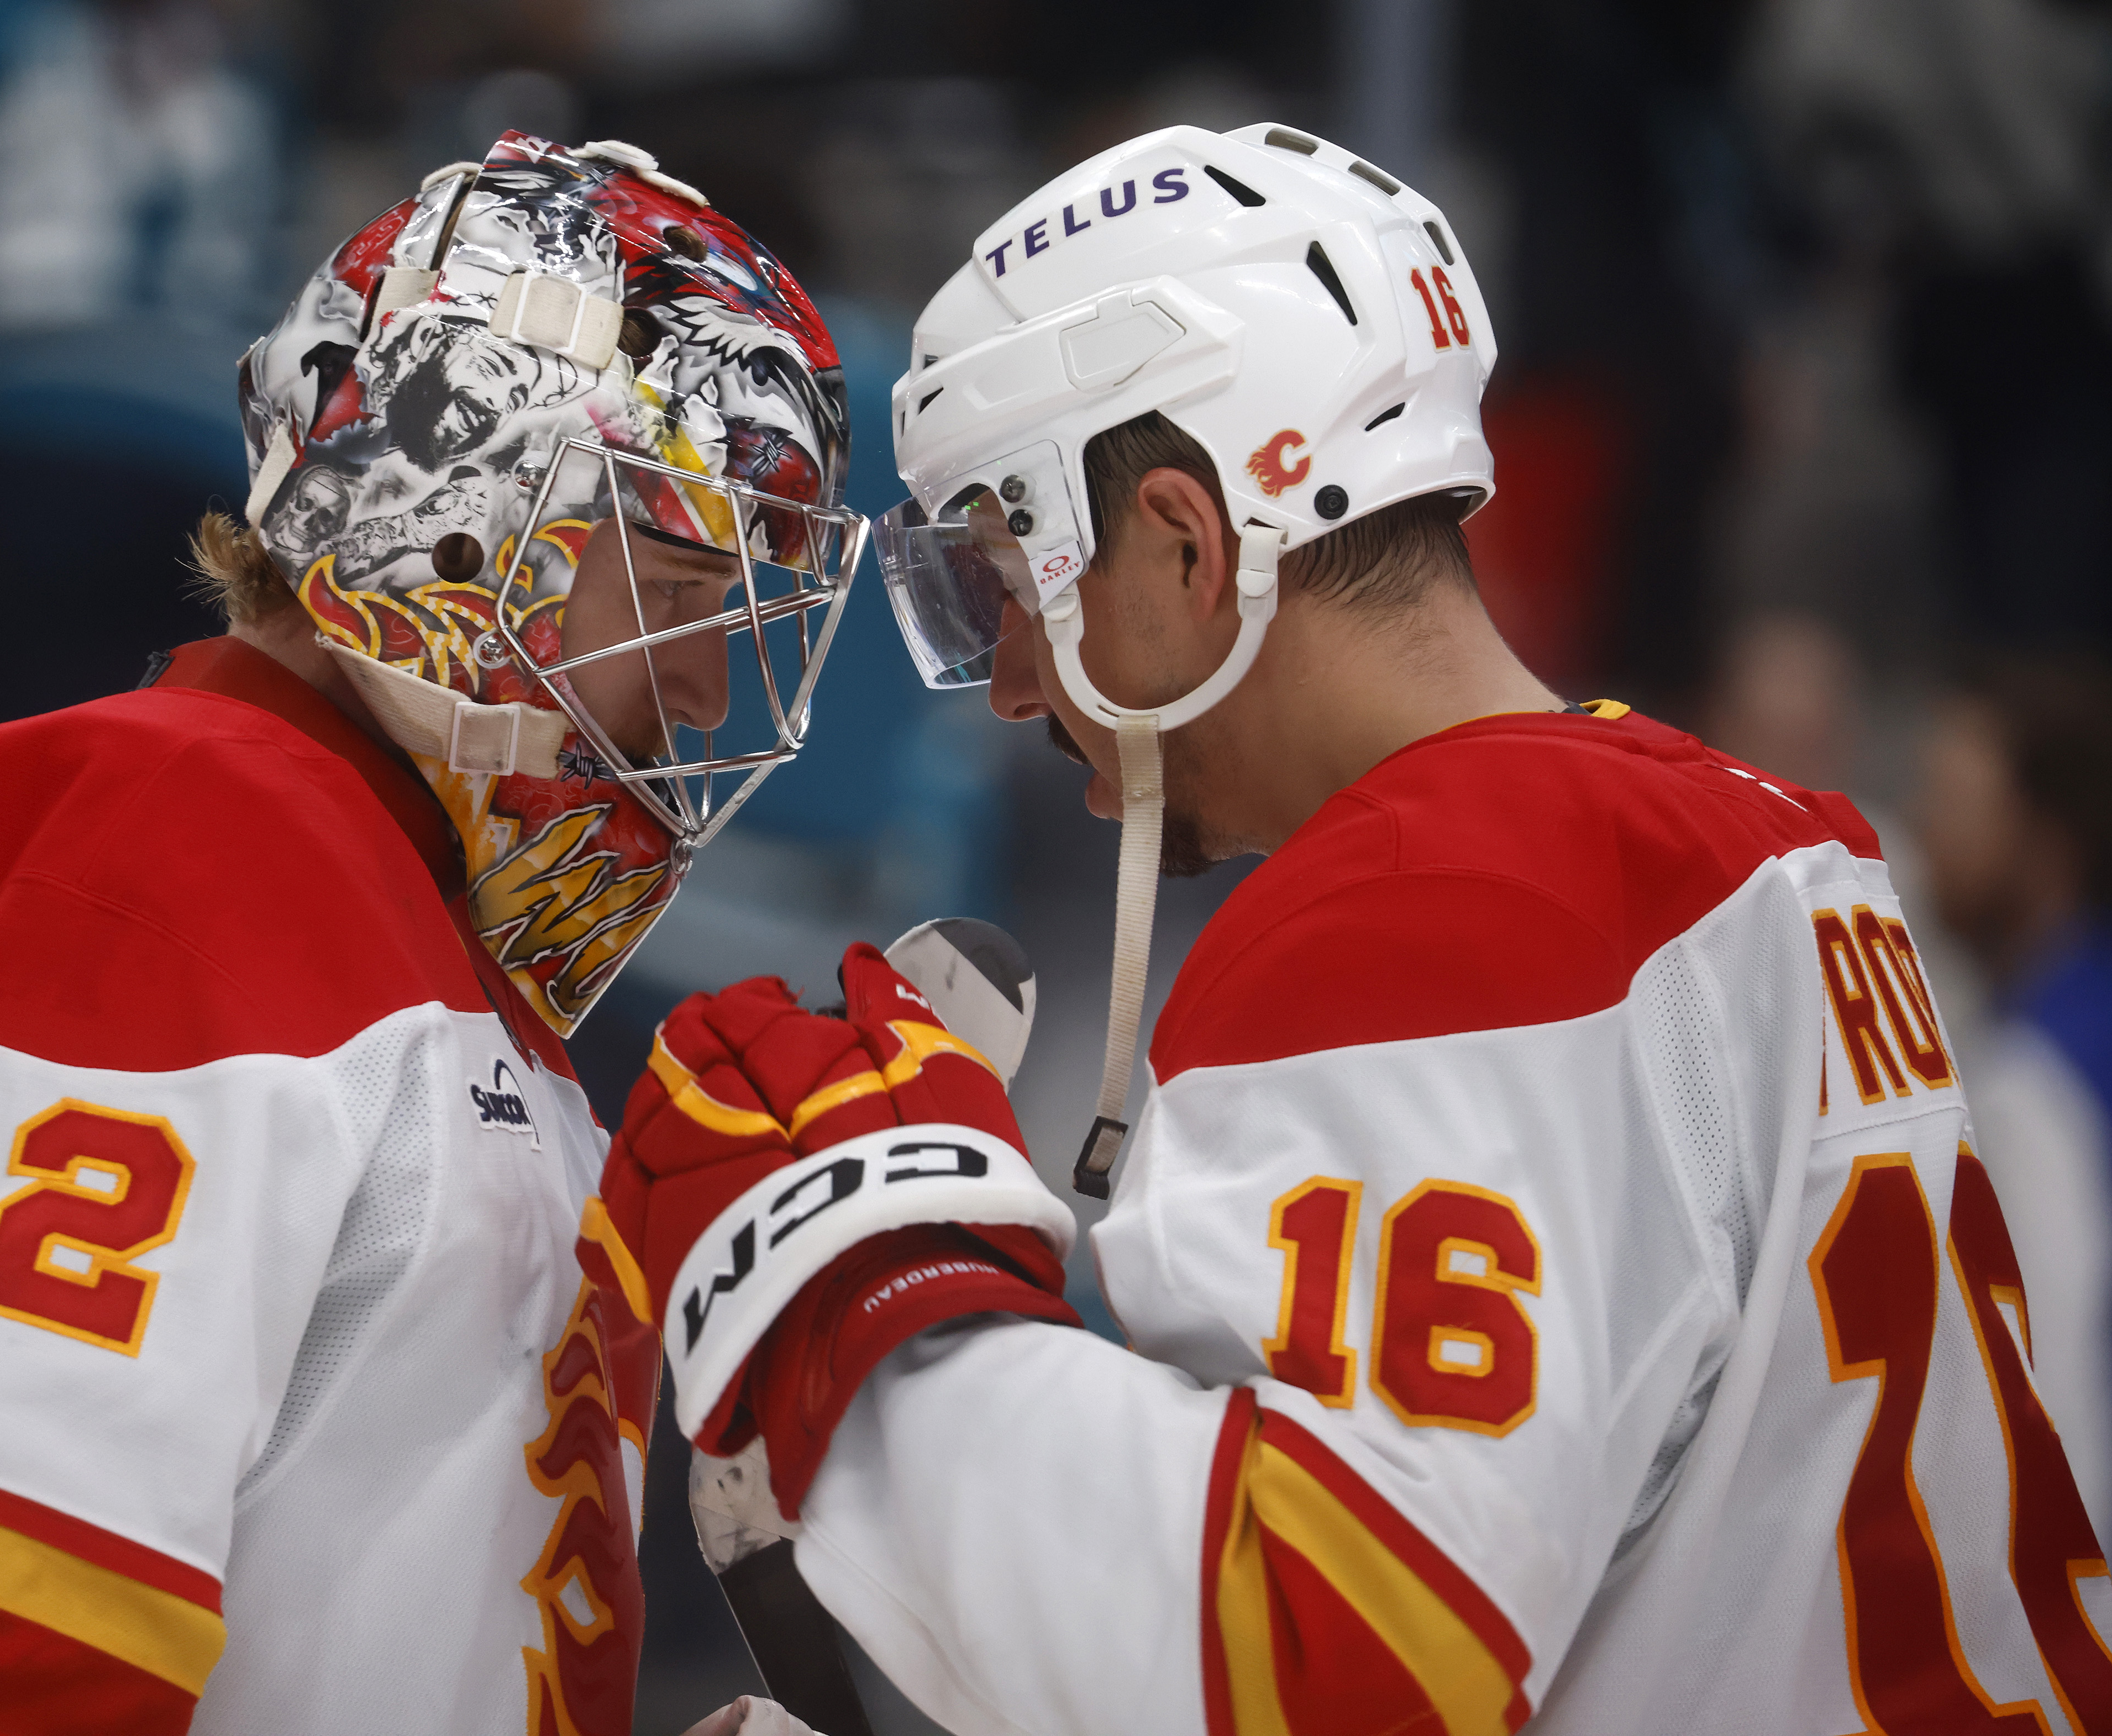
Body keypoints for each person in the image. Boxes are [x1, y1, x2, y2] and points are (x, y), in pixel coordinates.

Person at [581, 123, 2112, 1733]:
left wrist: (864, 1282)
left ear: (1183, 541)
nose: (1013, 683)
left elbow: (1331, 1661)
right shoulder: (1775, 837)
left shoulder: (1436, 903)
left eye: (1000, 580)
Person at [0, 131, 859, 1733]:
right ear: (464, 505)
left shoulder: (394, 935)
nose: (708, 689)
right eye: (686, 580)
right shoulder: (184, 840)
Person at [1915, 659, 2112, 1546]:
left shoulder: (2035, 1073)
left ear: (2044, 841)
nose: (1927, 835)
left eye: (1959, 803)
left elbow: (2057, 1387)